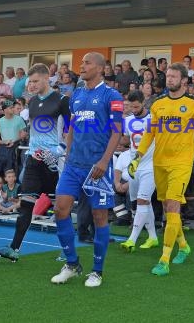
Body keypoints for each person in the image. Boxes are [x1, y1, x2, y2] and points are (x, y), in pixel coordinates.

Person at [129, 62, 194, 276]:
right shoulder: (157, 104)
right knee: (167, 207)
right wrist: (138, 157)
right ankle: (184, 246)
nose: (170, 79)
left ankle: (164, 259)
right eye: (168, 76)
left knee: (173, 206)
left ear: (184, 80)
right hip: (159, 163)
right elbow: (149, 134)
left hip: (181, 164)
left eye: (174, 76)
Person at [51, 52, 123, 287]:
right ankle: (72, 264)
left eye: (87, 63)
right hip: (74, 165)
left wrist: (104, 162)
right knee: (60, 208)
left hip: (97, 167)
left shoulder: (111, 95)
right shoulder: (76, 95)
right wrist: (68, 152)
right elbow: (71, 127)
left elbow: (117, 131)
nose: (81, 66)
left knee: (99, 216)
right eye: (81, 63)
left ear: (101, 68)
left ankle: (97, 271)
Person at [0, 63, 70, 262]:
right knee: (26, 204)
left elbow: (71, 131)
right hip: (34, 160)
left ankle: (68, 250)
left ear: (46, 79)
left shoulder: (62, 101)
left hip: (55, 162)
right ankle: (14, 249)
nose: (32, 85)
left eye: (35, 81)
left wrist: (60, 152)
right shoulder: (33, 102)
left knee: (61, 208)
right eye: (30, 82)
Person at [120, 91, 159, 251]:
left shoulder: (153, 119)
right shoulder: (127, 120)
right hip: (134, 166)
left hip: (150, 166)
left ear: (143, 102)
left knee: (142, 200)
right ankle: (153, 237)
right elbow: (125, 140)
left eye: (136, 106)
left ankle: (132, 239)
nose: (134, 109)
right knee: (142, 202)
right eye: (131, 106)